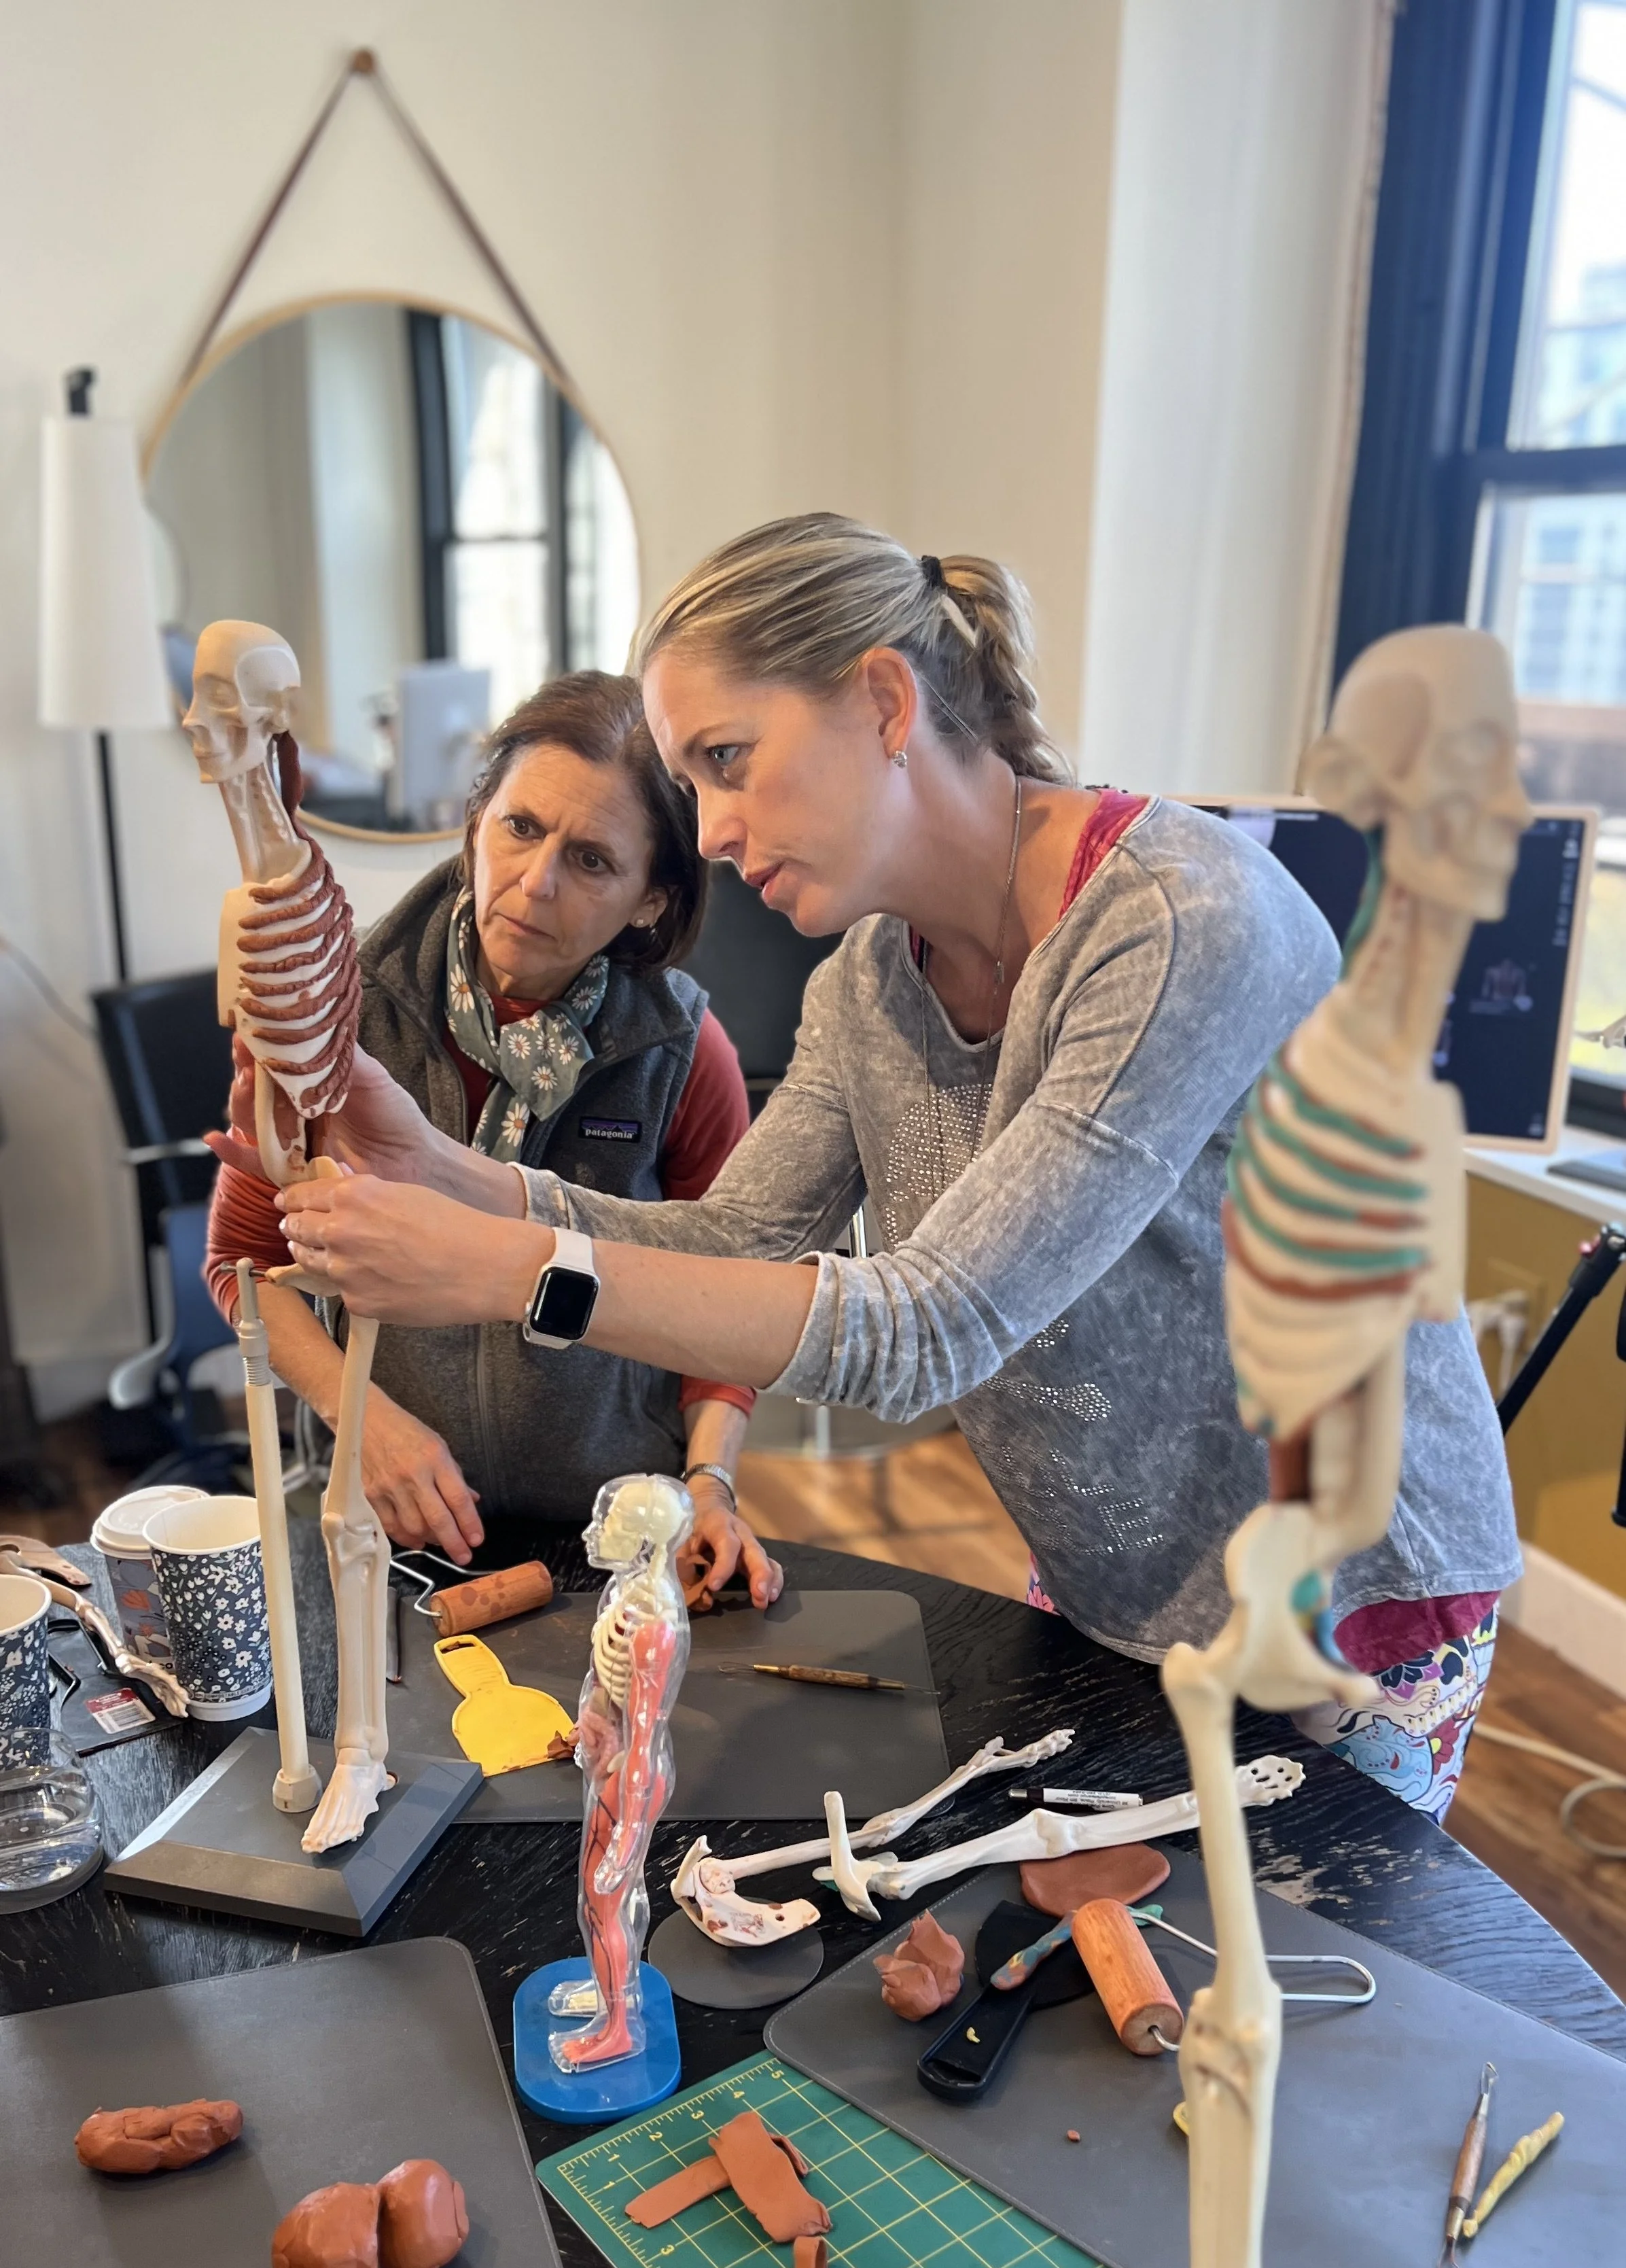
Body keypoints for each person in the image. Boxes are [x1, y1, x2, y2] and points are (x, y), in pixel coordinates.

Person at [271, 515, 1520, 1819]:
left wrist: (509, 1270)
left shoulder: (1176, 925)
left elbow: (929, 1326)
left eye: (729, 761)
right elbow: (735, 1234)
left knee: (1296, 1982)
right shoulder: (871, 981)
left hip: (1353, 1584)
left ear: (883, 700)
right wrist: (448, 1174)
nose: (706, 833)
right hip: (1119, 1565)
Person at [205, 669, 780, 1611]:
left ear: (651, 898)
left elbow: (729, 1301)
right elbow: (242, 1263)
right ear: (476, 818)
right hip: (379, 1524)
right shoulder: (327, 1014)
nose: (536, 881)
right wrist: (366, 1426)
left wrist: (712, 1484)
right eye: (520, 827)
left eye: (593, 860)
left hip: (613, 1535)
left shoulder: (685, 1054)